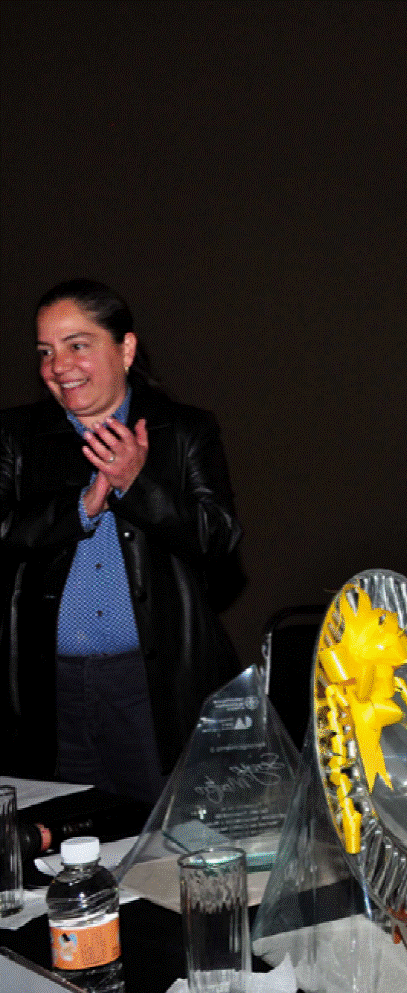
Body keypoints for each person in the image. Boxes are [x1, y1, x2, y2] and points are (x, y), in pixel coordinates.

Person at [1, 279, 243, 804]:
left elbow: (219, 539)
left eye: (77, 345)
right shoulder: (18, 436)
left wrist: (137, 485)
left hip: (155, 691)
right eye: (45, 351)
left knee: (162, 839)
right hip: (52, 693)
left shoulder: (184, 430)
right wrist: (81, 508)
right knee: (65, 835)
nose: (58, 366)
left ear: (125, 349)